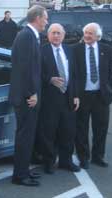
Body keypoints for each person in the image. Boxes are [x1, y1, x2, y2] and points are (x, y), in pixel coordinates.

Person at [9, 5, 48, 187]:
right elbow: (24, 69)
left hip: (29, 96)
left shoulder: (31, 35)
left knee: (28, 137)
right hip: (27, 98)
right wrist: (31, 94)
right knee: (24, 137)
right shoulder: (26, 36)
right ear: (38, 18)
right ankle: (20, 176)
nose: (47, 22)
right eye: (45, 18)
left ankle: (24, 171)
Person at [40, 23, 80, 174]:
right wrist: (49, 79)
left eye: (59, 33)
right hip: (50, 99)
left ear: (63, 35)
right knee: (49, 132)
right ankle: (49, 162)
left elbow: (75, 75)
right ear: (48, 35)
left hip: (68, 98)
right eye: (53, 33)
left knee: (68, 131)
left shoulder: (69, 50)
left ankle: (66, 161)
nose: (56, 36)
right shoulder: (41, 51)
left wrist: (76, 95)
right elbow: (35, 74)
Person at [74, 23, 112, 169]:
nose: (87, 36)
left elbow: (110, 74)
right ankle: (83, 158)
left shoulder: (107, 50)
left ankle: (98, 156)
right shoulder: (76, 50)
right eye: (86, 32)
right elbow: (73, 74)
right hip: (83, 95)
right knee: (81, 128)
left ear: (98, 36)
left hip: (100, 96)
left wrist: (108, 90)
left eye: (91, 33)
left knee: (101, 128)